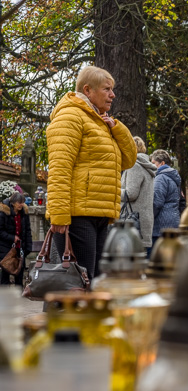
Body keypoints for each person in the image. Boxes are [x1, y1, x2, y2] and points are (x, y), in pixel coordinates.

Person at [46, 65, 137, 281]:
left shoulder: (101, 122)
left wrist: (117, 128)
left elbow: (129, 159)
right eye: (107, 89)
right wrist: (59, 215)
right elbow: (59, 169)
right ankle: (55, 315)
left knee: (90, 282)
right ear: (88, 90)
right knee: (77, 284)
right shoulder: (70, 116)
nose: (112, 95)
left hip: (99, 214)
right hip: (78, 216)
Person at [121, 136, 156, 255]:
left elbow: (131, 194)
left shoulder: (134, 166)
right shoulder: (146, 165)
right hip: (143, 220)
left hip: (132, 221)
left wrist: (113, 191)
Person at [151, 149, 181, 249]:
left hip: (160, 225)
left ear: (162, 163)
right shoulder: (173, 177)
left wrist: (149, 218)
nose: (152, 166)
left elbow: (156, 203)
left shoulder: (161, 178)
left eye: (154, 163)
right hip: (173, 221)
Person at [0, 192, 32, 285]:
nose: (21, 204)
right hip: (6, 248)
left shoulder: (24, 213)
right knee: (5, 273)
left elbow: (27, 230)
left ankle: (19, 296)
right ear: (13, 203)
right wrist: (12, 237)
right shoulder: (3, 213)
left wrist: (28, 248)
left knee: (20, 273)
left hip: (20, 248)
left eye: (22, 202)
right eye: (19, 202)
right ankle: (4, 297)